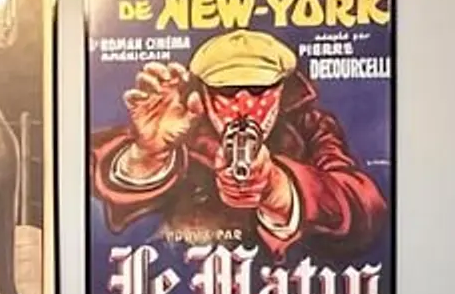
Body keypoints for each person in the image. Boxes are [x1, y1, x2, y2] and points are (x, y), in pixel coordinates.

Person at [92, 29, 387, 256]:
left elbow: (365, 206)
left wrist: (278, 187)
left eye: (258, 89)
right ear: (204, 92)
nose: (244, 103)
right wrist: (147, 155)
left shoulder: (311, 127)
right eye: (228, 90)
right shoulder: (180, 124)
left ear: (281, 89)